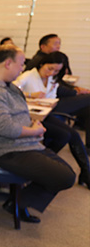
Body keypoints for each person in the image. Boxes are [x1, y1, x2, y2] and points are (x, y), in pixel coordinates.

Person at [0, 45, 75, 219]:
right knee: (65, 177)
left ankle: (17, 202)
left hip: (25, 144)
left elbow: (16, 115)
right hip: (9, 150)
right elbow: (5, 128)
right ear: (8, 63)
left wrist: (33, 125)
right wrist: (33, 131)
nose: (22, 69)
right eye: (21, 64)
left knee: (66, 171)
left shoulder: (4, 85)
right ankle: (18, 203)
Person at [14, 52, 90, 187]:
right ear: (42, 64)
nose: (51, 73)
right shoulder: (29, 75)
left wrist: (48, 100)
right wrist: (31, 95)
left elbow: (52, 97)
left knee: (72, 134)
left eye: (56, 71)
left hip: (47, 112)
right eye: (50, 69)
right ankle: (84, 173)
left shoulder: (51, 79)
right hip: (32, 115)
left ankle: (85, 172)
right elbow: (13, 89)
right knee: (66, 135)